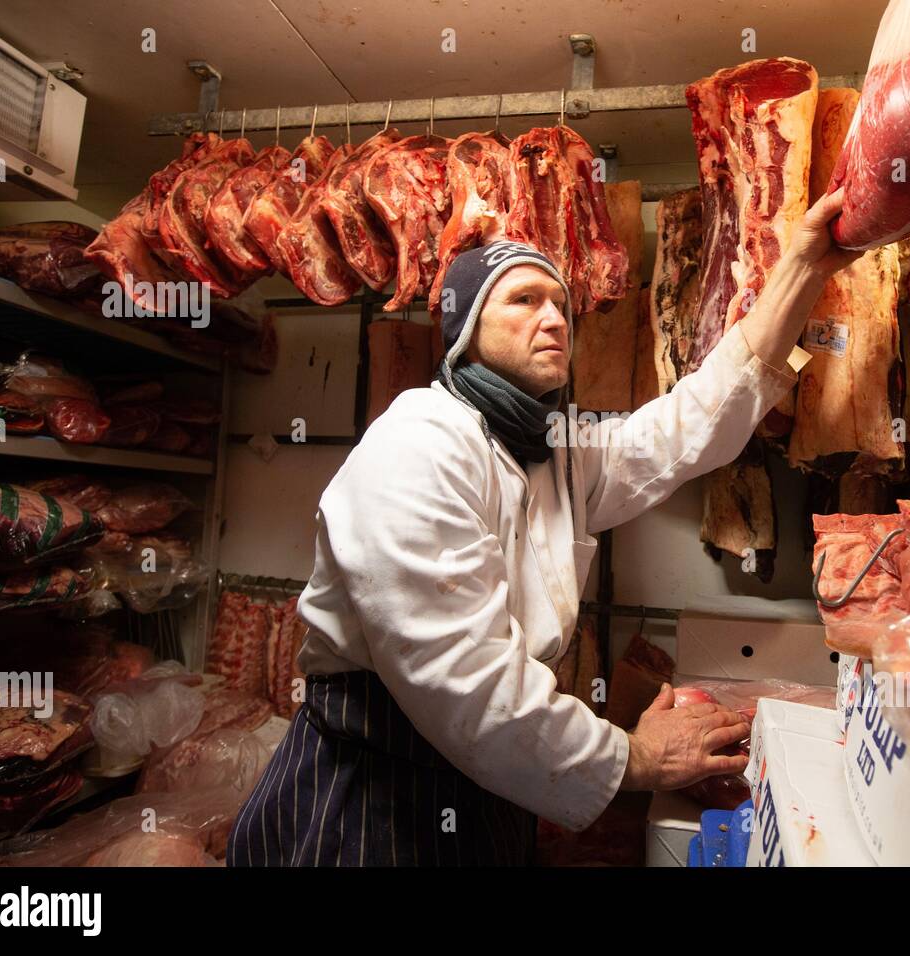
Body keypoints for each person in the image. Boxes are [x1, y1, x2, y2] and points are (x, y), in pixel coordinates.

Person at [228, 189, 860, 866]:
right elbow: (464, 681)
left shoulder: (556, 449)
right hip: (367, 807)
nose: (554, 318)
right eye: (523, 301)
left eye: (560, 303)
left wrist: (804, 266)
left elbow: (690, 426)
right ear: (466, 330)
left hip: (491, 785)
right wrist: (632, 757)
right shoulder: (416, 445)